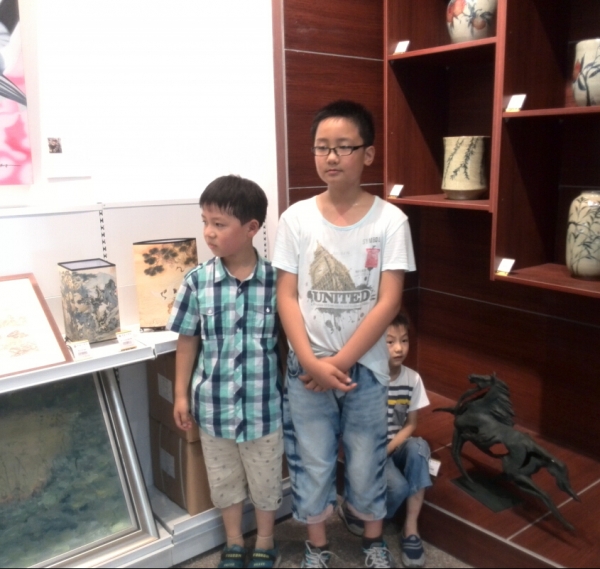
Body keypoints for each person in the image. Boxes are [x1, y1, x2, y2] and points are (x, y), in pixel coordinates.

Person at [273, 100, 416, 568]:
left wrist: (337, 363)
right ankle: (317, 545)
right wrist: (311, 361)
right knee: (311, 460)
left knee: (365, 458)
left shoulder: (390, 221)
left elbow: (388, 301)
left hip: (366, 369)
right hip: (306, 369)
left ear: (368, 154)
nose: (331, 157)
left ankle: (373, 541)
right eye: (321, 147)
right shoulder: (295, 218)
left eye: (343, 147)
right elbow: (287, 296)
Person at [168, 175, 284, 569]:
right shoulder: (197, 281)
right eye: (205, 222)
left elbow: (289, 342)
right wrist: (181, 395)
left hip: (263, 408)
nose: (208, 233)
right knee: (224, 482)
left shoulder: (277, 282)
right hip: (213, 408)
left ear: (252, 228)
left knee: (266, 482)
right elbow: (187, 341)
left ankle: (265, 541)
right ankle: (234, 542)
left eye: (219, 224)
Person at [339, 312, 432, 568]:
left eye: (404, 340)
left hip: (393, 446)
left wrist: (389, 448)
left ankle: (410, 529)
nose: (399, 348)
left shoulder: (412, 379)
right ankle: (356, 511)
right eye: (390, 342)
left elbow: (411, 424)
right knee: (398, 487)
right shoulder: (364, 378)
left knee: (420, 448)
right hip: (371, 448)